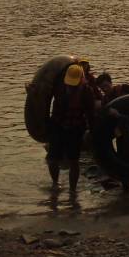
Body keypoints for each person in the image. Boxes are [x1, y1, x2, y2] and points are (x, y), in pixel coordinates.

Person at [46, 63, 96, 192]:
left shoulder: (86, 91)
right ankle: (55, 183)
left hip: (75, 128)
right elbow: (43, 96)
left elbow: (90, 113)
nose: (71, 85)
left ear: (81, 79)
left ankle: (72, 191)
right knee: (52, 159)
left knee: (73, 160)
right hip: (57, 125)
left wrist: (93, 131)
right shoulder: (58, 86)